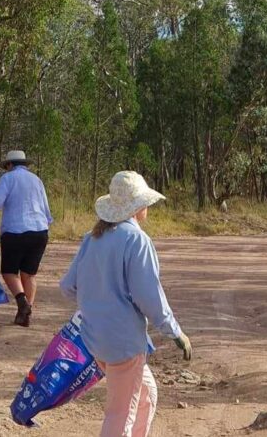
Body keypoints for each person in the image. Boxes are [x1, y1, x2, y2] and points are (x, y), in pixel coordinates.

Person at [60, 171, 192, 437]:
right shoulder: (137, 240)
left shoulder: (93, 237)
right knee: (120, 416)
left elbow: (68, 286)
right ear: (138, 207)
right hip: (123, 343)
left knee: (146, 394)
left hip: (96, 338)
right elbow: (149, 297)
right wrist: (175, 332)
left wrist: (98, 304)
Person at [0, 150, 53, 327]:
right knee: (29, 274)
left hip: (15, 231)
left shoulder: (8, 178)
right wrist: (45, 225)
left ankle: (23, 303)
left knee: (9, 272)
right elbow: (46, 209)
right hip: (39, 231)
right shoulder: (37, 180)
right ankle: (26, 314)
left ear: (10, 165)